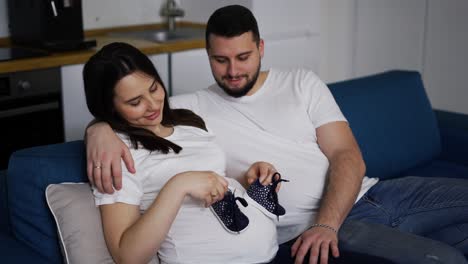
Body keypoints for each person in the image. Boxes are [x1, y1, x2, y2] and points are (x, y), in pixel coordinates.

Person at [85, 5, 468, 264]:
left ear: (261, 48)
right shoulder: (191, 110)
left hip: (374, 194)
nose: (233, 70)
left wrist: (326, 222)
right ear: (207, 57)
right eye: (220, 60)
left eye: (243, 57)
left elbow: (347, 156)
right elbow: (131, 114)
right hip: (322, 231)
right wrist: (98, 128)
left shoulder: (302, 81)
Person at [83, 41, 289, 264]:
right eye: (135, 102)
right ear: (110, 107)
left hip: (270, 254)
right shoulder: (116, 153)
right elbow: (127, 256)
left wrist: (248, 177)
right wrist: (178, 185)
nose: (153, 105)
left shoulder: (190, 121)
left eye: (153, 88)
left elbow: (211, 181)